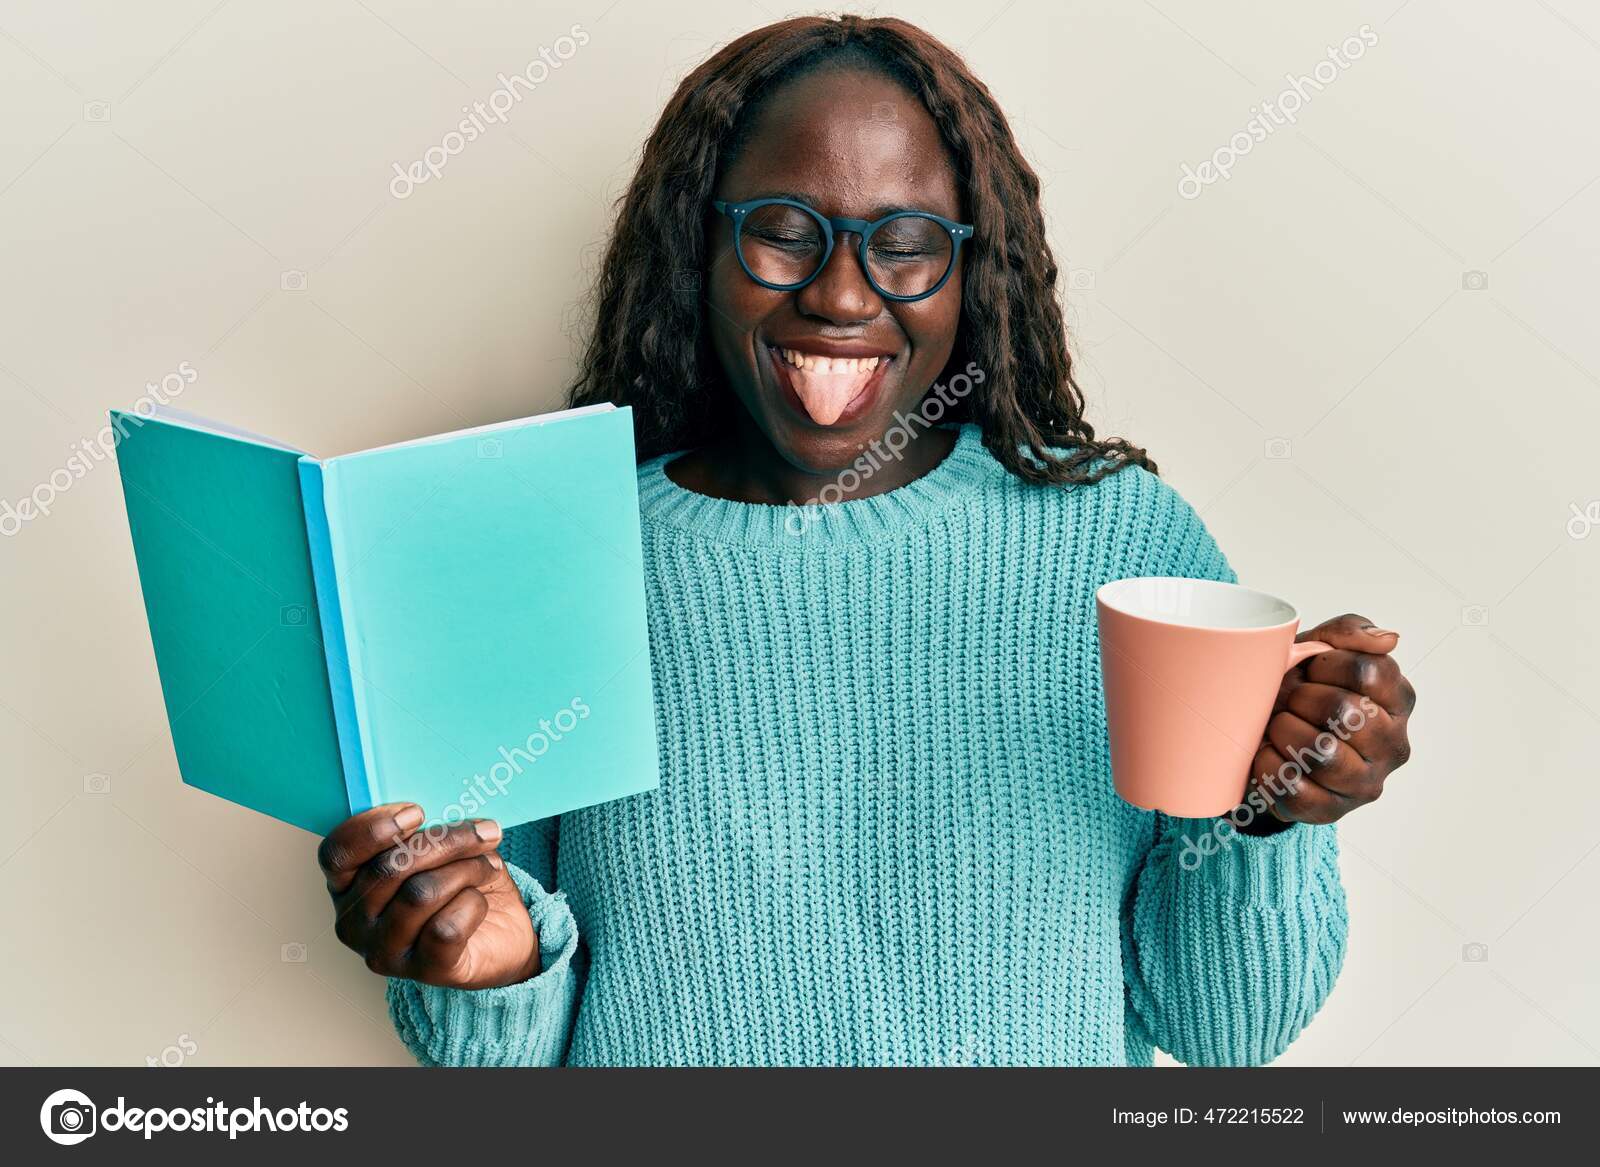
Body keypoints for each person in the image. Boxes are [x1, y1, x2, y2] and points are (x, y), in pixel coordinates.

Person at [315, 14, 1415, 1067]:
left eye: (905, 245)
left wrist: (1275, 815)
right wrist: (487, 974)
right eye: (784, 234)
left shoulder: (1119, 545)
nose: (841, 293)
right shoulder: (561, 553)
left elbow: (1231, 1033)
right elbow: (505, 1058)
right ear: (696, 247)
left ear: (974, 270)